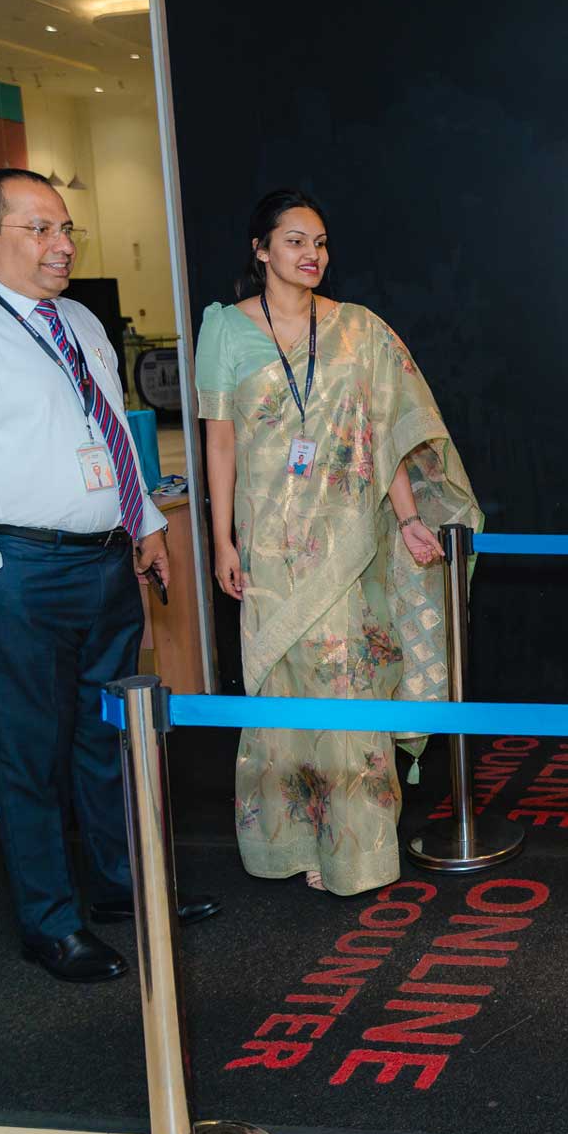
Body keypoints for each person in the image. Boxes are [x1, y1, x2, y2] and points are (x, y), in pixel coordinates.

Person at [0, 169, 219, 983]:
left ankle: (122, 886)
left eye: (67, 229)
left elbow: (110, 433)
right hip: (15, 570)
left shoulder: (81, 321)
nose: (63, 245)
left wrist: (145, 522)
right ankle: (50, 922)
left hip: (106, 562)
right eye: (41, 229)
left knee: (109, 737)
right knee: (28, 752)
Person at [196, 190, 480, 896]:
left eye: (319, 242)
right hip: (267, 545)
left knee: (348, 686)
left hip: (347, 541)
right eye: (295, 241)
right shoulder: (224, 330)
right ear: (261, 250)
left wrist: (408, 518)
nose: (311, 254)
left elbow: (385, 432)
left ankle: (355, 854)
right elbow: (219, 443)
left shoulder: (358, 329)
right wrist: (221, 541)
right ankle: (290, 841)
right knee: (280, 687)